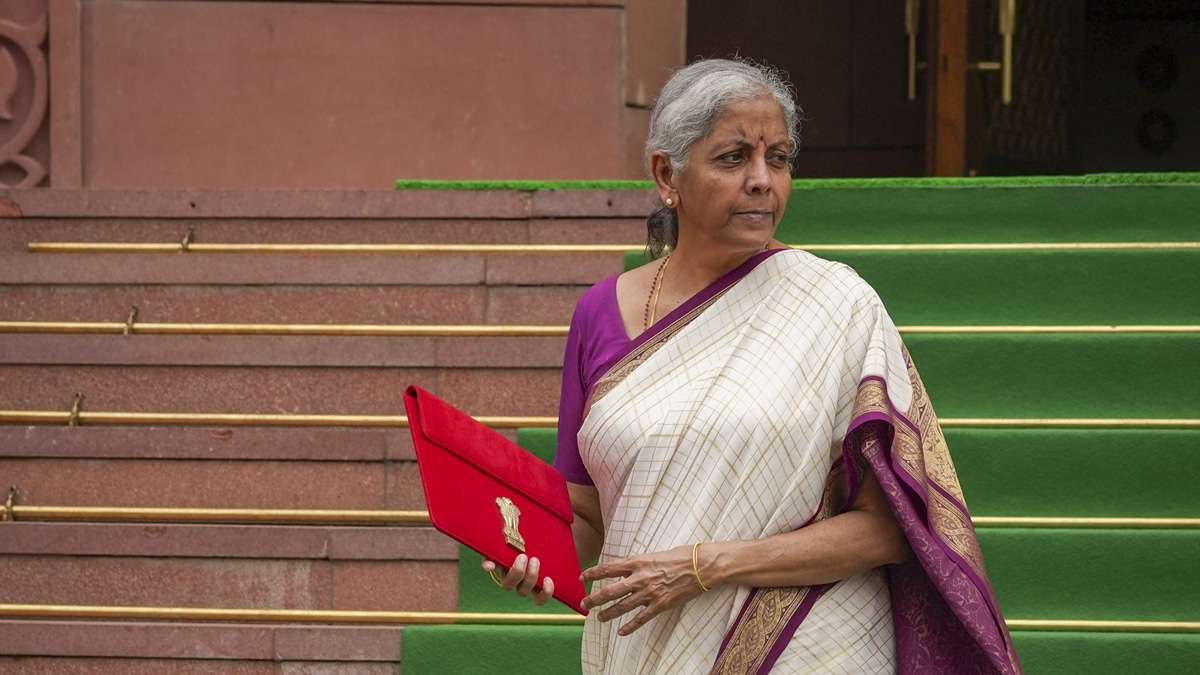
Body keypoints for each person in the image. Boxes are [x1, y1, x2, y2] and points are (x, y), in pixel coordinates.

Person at [484, 57, 1023, 674]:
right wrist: (530, 559)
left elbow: (887, 530)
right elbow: (588, 521)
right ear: (667, 173)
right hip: (646, 653)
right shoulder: (599, 315)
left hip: (814, 649)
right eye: (734, 158)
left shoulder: (837, 305)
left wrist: (705, 565)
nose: (763, 180)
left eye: (780, 158)